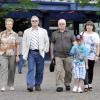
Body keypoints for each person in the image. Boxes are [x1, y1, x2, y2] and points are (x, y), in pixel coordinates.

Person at [22, 16, 49, 92]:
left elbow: (47, 41)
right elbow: (24, 42)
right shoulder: (26, 31)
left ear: (38, 22)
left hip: (40, 53)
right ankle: (30, 85)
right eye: (33, 21)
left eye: (36, 21)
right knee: (31, 69)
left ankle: (38, 84)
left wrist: (45, 50)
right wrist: (24, 53)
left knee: (40, 70)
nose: (34, 22)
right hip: (31, 53)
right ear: (31, 22)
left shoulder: (43, 31)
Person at [50, 19, 76, 92]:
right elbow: (52, 44)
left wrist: (77, 51)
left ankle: (67, 83)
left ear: (65, 24)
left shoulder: (70, 33)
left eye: (63, 24)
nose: (61, 25)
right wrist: (52, 55)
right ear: (58, 25)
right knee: (58, 70)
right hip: (58, 55)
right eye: (60, 24)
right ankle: (59, 85)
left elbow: (74, 43)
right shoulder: (54, 33)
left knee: (69, 71)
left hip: (68, 55)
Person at [0, 18, 19, 91]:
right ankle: (3, 85)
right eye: (7, 24)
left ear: (12, 25)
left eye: (10, 24)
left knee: (12, 69)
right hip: (3, 54)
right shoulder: (1, 34)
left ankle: (11, 84)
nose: (9, 25)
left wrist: (17, 56)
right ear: (5, 25)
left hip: (12, 54)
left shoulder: (15, 34)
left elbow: (17, 45)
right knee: (3, 69)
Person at [80, 21, 100, 92]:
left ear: (92, 27)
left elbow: (98, 46)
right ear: (85, 26)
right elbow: (79, 44)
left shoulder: (96, 35)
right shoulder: (82, 34)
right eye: (87, 25)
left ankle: (90, 83)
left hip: (92, 55)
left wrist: (97, 55)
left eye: (90, 25)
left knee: (91, 70)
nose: (88, 27)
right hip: (83, 55)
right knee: (85, 70)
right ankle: (86, 85)